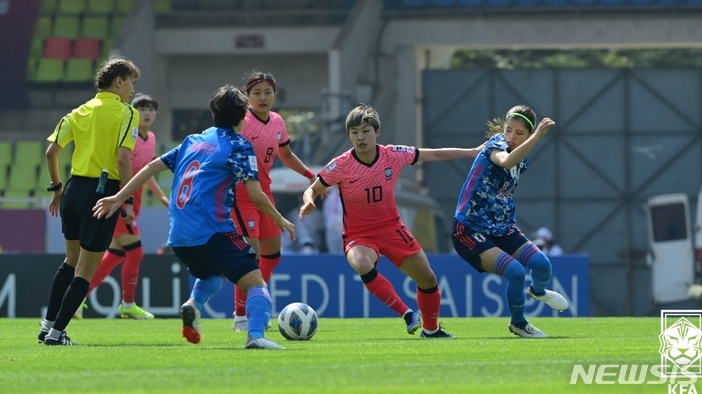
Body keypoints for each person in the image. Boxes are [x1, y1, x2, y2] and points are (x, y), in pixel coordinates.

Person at [93, 85, 294, 350]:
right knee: (256, 284)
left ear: (213, 113)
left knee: (214, 275)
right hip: (213, 231)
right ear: (244, 115)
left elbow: (151, 166)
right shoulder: (239, 145)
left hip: (179, 237)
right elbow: (256, 195)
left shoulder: (192, 141)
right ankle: (255, 336)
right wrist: (279, 218)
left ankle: (192, 304)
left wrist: (119, 197)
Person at [300, 104, 482, 338]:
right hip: (359, 235)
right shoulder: (341, 164)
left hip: (392, 228)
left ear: (377, 131)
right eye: (354, 132)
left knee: (428, 279)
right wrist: (309, 201)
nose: (360, 137)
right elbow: (312, 189)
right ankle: (406, 314)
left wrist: (471, 152)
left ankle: (431, 330)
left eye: (365, 130)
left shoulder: (393, 155)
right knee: (362, 263)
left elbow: (434, 154)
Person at [39, 57, 141, 345]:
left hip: (72, 190)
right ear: (118, 82)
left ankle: (47, 325)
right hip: (103, 192)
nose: (132, 90)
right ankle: (57, 334)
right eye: (131, 82)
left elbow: (51, 153)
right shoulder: (126, 113)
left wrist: (57, 189)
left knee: (70, 261)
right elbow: (123, 158)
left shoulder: (79, 111)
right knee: (85, 270)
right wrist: (127, 199)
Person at [452, 105, 568, 339]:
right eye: (508, 130)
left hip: (501, 227)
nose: (511, 137)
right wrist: (536, 137)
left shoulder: (522, 160)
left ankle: (537, 291)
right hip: (470, 227)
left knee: (543, 265)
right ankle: (518, 323)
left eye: (519, 133)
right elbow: (504, 161)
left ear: (528, 133)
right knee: (515, 272)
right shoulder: (497, 145)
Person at [230, 71, 317, 332]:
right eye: (256, 93)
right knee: (250, 257)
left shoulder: (278, 121)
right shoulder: (241, 121)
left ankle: (255, 301)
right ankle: (241, 315)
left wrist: (310, 175)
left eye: (268, 92)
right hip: (241, 195)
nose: (263, 97)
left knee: (272, 255)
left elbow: (286, 154)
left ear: (275, 95)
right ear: (247, 96)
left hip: (265, 195)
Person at [78, 94, 168, 320]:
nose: (147, 113)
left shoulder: (152, 139)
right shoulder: (129, 136)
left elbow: (146, 172)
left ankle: (77, 298)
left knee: (116, 255)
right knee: (136, 253)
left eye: (151, 109)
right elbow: (119, 163)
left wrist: (161, 197)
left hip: (133, 202)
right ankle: (128, 304)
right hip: (118, 199)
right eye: (141, 108)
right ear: (133, 112)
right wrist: (122, 199)